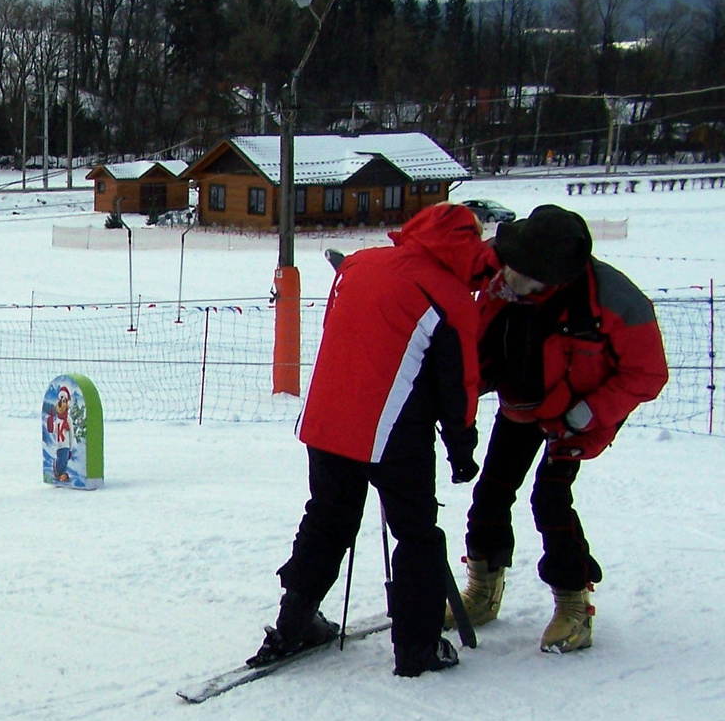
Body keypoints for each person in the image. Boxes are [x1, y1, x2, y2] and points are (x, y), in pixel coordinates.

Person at [250, 202, 495, 677]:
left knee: (327, 519)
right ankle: (418, 648)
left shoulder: (359, 264)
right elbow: (457, 385)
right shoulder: (450, 297)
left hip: (327, 418)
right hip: (393, 433)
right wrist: (462, 450)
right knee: (417, 535)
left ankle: (294, 622)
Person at [451, 204, 669, 652]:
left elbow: (648, 374)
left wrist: (589, 413)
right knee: (491, 493)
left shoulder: (617, 302)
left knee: (549, 500)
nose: (511, 277)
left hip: (574, 415)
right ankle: (482, 590)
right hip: (519, 404)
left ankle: (574, 603)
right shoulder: (504, 274)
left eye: (526, 274)